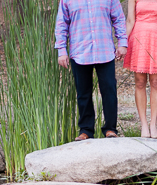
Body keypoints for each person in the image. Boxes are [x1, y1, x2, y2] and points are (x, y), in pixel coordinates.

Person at [55, 0, 128, 141]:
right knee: (83, 93)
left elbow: (118, 18)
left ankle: (110, 129)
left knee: (109, 91)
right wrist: (61, 51)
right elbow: (62, 24)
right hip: (79, 52)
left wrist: (122, 42)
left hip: (104, 50)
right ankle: (86, 130)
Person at [124, 0, 157, 139]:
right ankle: (144, 125)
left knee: (155, 82)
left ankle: (153, 124)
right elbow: (130, 20)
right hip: (139, 38)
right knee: (140, 82)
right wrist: (122, 43)